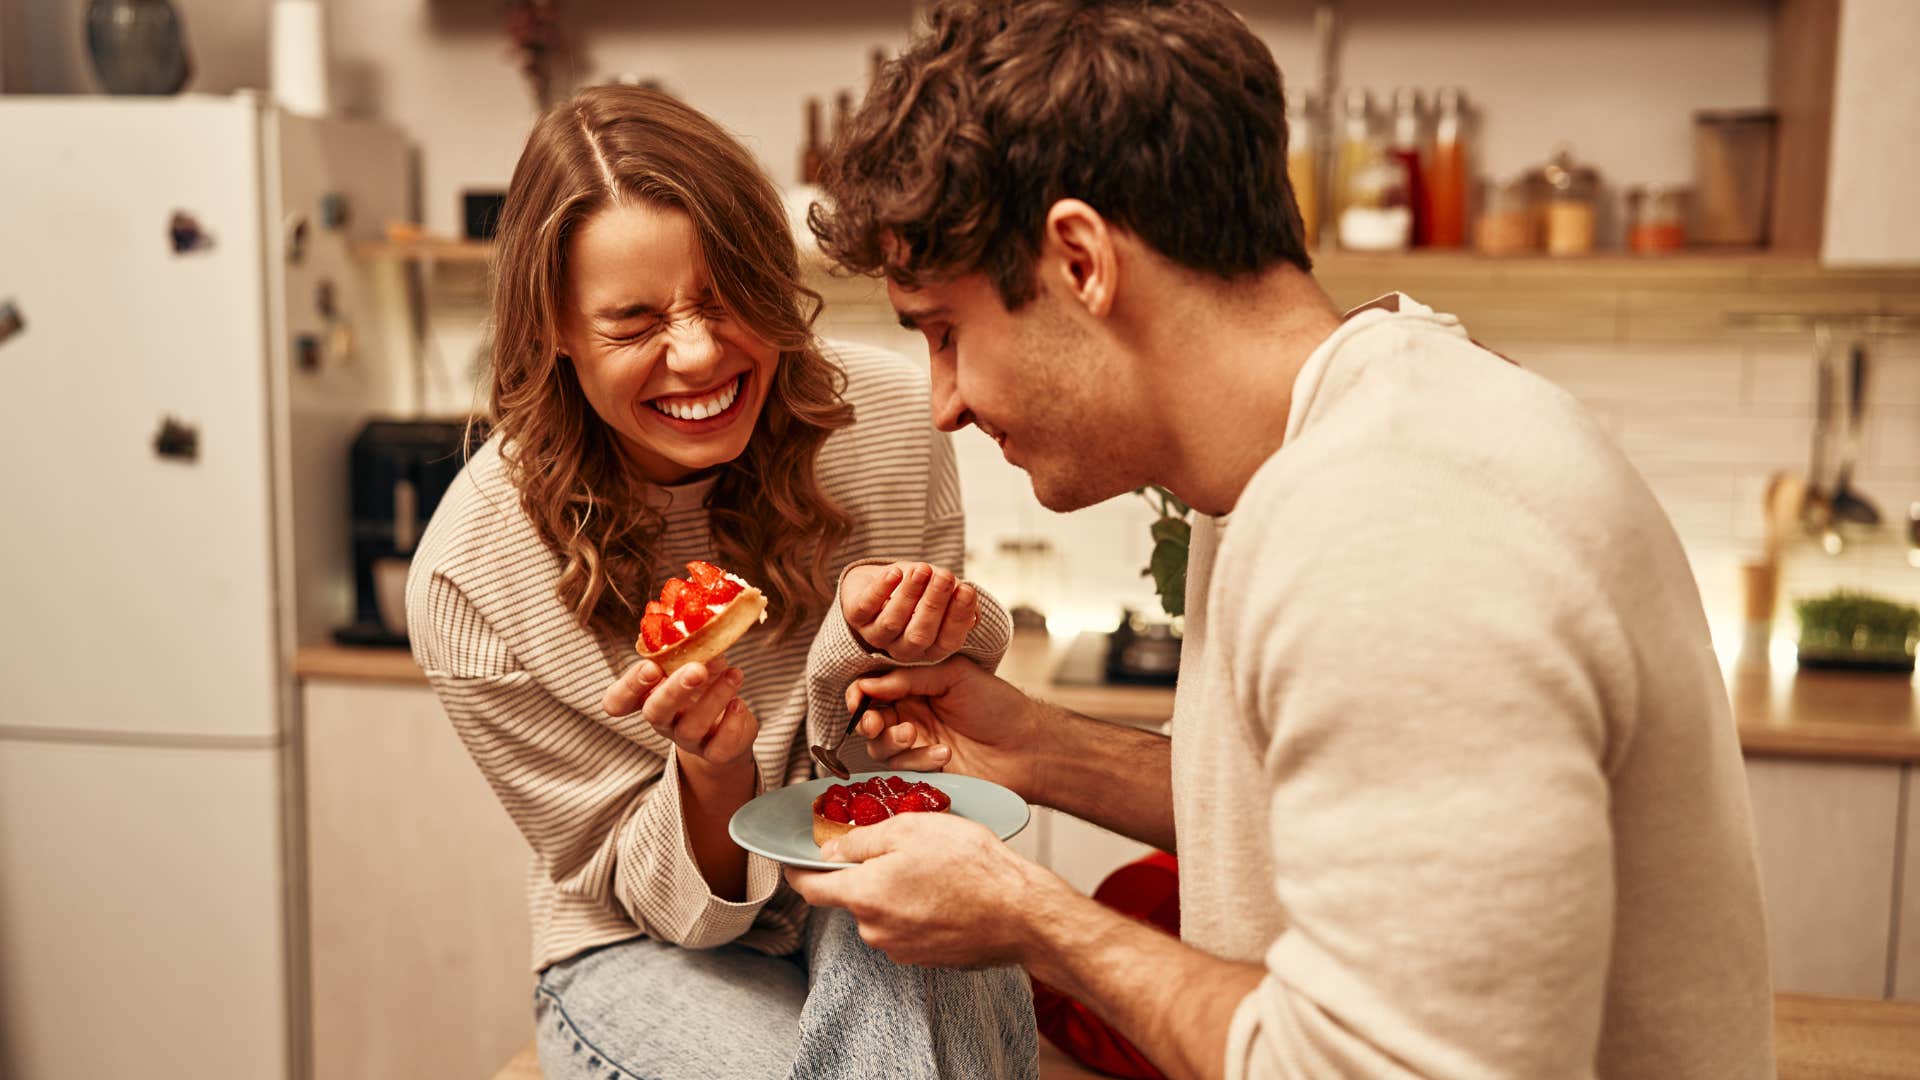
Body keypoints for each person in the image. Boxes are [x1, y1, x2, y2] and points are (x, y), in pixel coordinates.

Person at [790, 2, 1775, 1078]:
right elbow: (1342, 823)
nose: (945, 404)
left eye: (945, 332)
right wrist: (1034, 746)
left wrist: (1035, 919)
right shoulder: (1330, 436)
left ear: (1081, 262)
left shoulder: (1393, 521)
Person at [405, 83, 1037, 1080]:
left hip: (859, 857)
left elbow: (913, 769)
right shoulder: (472, 578)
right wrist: (712, 773)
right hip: (635, 945)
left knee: (936, 931)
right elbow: (635, 891)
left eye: (723, 295)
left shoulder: (893, 425)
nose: (697, 352)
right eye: (633, 322)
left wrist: (926, 634)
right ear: (554, 330)